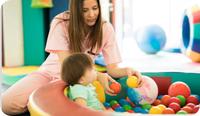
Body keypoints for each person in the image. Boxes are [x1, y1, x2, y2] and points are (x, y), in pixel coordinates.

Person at [2, 0, 142, 115]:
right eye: (85, 10)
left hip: (80, 81)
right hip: (50, 75)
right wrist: (98, 76)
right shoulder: (61, 22)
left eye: (95, 8)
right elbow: (66, 68)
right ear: (75, 10)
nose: (92, 14)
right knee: (7, 104)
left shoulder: (105, 29)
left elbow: (112, 69)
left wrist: (128, 70)